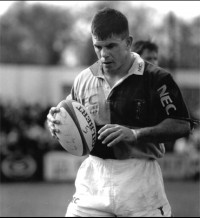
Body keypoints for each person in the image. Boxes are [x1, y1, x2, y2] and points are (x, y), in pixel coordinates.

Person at [47, 8, 192, 217]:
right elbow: (67, 114)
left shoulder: (157, 78)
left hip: (140, 182)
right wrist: (54, 122)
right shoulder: (83, 79)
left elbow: (181, 124)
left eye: (111, 46)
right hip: (94, 179)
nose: (104, 54)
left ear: (128, 42)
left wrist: (135, 134)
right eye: (98, 46)